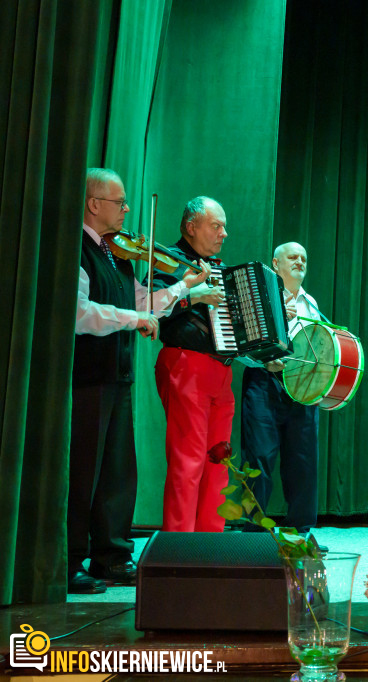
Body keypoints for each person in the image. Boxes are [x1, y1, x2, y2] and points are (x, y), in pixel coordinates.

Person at [71, 169, 210, 593]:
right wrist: (137, 318)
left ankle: (111, 556)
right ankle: (71, 560)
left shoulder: (115, 253)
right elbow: (81, 314)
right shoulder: (77, 249)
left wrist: (182, 288)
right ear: (95, 204)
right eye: (120, 203)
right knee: (83, 471)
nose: (127, 210)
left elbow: (141, 300)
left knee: (117, 471)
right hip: (87, 375)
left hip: (118, 373)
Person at [151, 196, 232, 533]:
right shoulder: (169, 261)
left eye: (224, 226)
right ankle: (179, 546)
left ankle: (209, 542)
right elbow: (153, 305)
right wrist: (193, 294)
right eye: (216, 225)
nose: (223, 233)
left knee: (219, 461)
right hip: (186, 362)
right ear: (191, 226)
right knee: (188, 460)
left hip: (221, 369)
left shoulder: (222, 269)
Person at [241, 242, 325, 537]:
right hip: (264, 382)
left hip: (302, 388)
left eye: (304, 257)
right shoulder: (259, 297)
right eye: (292, 257)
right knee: (259, 458)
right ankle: (254, 534)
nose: (299, 261)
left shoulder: (311, 303)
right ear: (275, 264)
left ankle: (301, 532)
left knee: (303, 460)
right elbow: (244, 345)